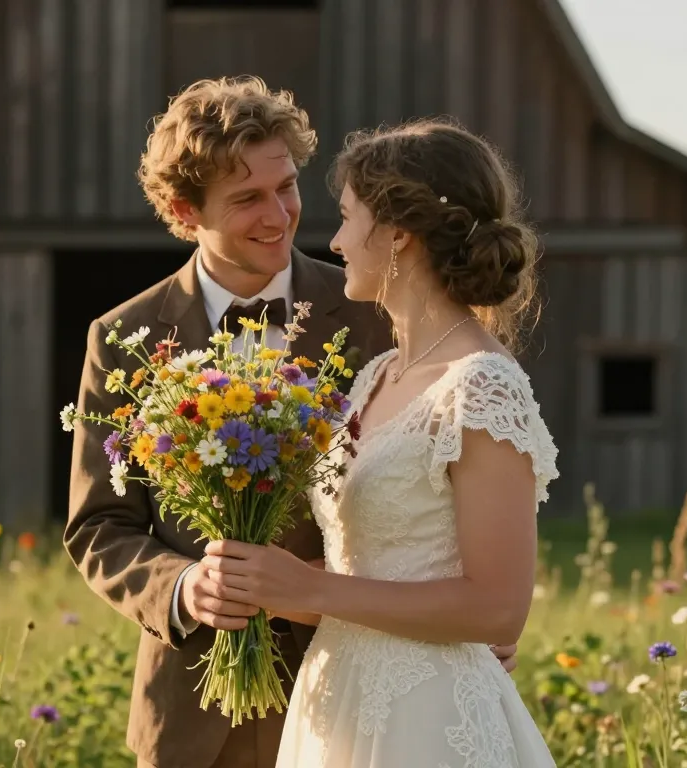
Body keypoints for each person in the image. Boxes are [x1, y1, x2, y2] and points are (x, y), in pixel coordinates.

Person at [64, 76, 520, 768]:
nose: (279, 214)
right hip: (190, 713)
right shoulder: (123, 337)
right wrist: (187, 589)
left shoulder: (381, 309)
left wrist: (462, 618)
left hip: (361, 698)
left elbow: (459, 467)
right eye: (247, 199)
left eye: (287, 187)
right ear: (186, 212)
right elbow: (98, 524)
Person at [201, 119, 560, 766]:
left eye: (346, 218)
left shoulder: (480, 387)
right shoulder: (375, 377)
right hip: (337, 696)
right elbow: (379, 567)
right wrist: (266, 582)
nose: (334, 241)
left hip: (429, 719)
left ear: (398, 236)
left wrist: (312, 592)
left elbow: (499, 606)